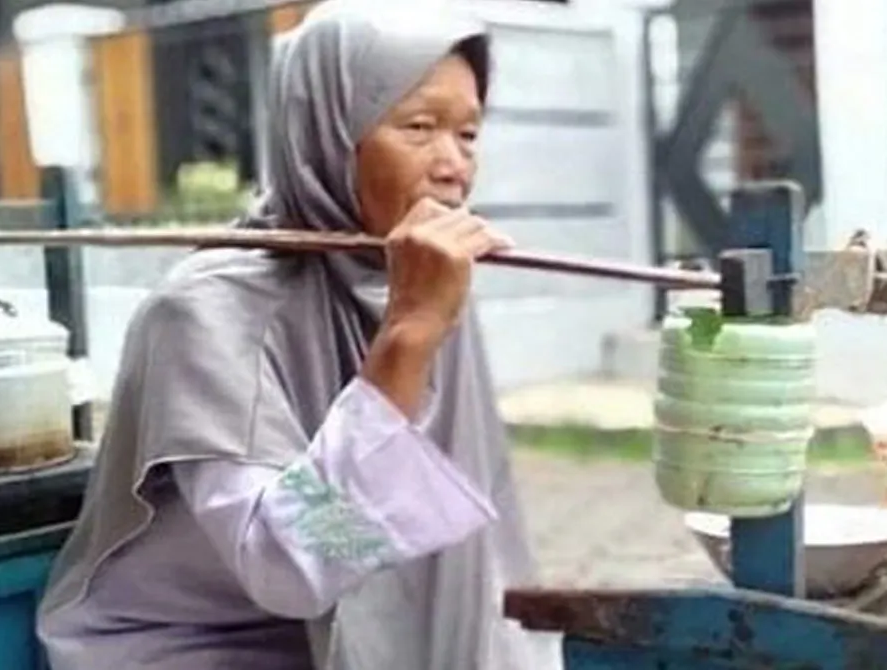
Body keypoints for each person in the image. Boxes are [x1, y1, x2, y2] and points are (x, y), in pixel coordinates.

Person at [36, 2, 557, 668]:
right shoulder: (206, 311)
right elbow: (291, 561)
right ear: (328, 133)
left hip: (335, 636)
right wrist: (406, 338)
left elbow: (482, 550)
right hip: (194, 649)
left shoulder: (418, 283)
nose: (453, 164)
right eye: (420, 127)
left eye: (469, 134)